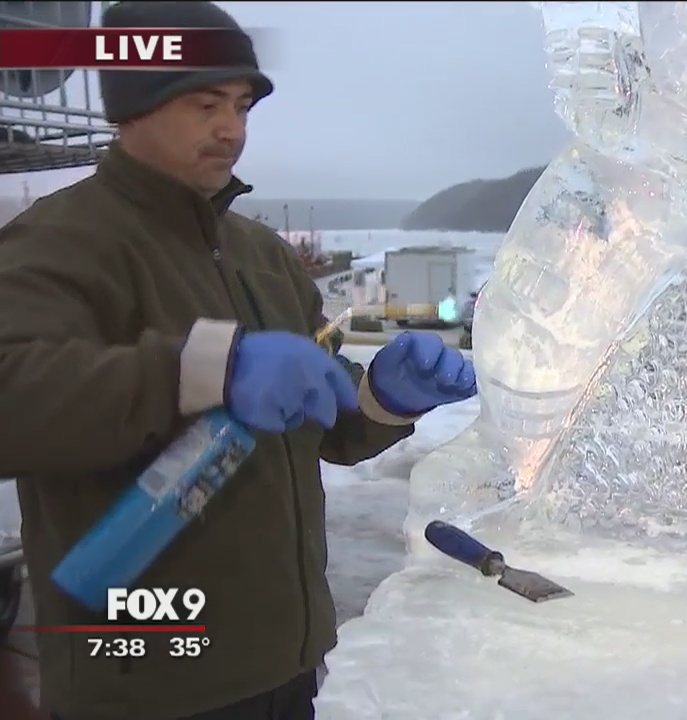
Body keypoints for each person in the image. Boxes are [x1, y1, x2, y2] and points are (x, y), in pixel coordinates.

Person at [0, 3, 476, 719]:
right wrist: (205, 371)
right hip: (143, 683)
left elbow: (325, 424)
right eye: (204, 103)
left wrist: (384, 398)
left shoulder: (265, 257)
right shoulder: (59, 242)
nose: (232, 128)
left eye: (241, 105)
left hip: (284, 664)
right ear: (134, 108)